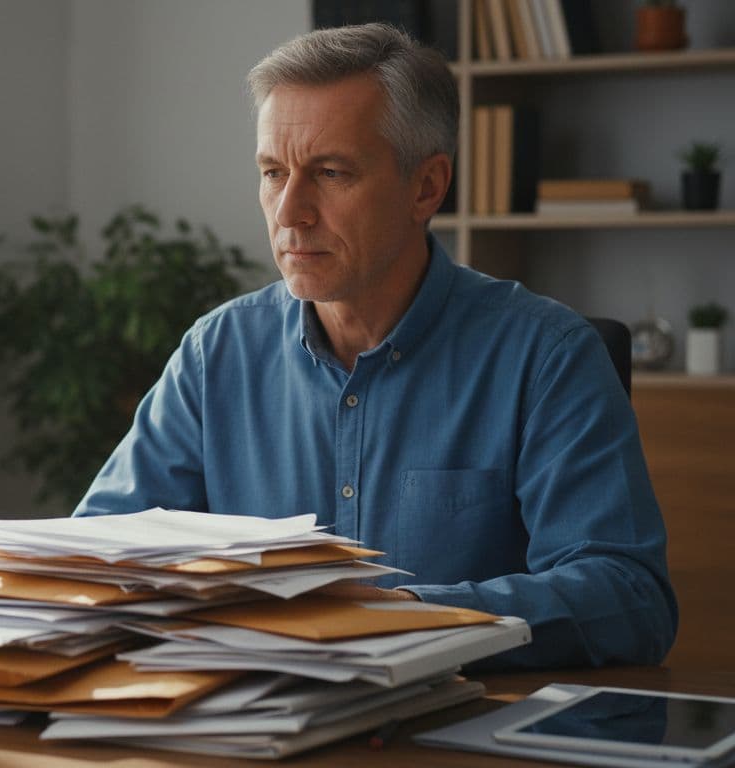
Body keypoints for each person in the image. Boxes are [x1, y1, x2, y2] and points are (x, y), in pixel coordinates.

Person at [73, 23, 677, 670]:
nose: (289, 213)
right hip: (249, 730)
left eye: (330, 173)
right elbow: (91, 561)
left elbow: (629, 596)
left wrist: (402, 618)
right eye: (274, 172)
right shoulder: (215, 353)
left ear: (427, 187)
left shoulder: (548, 356)